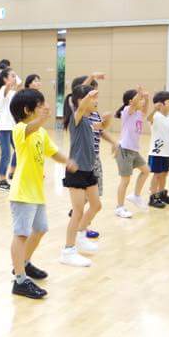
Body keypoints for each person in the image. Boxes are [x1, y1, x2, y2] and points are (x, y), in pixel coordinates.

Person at [8, 88, 76, 299]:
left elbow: (52, 152)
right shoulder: (20, 129)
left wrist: (68, 161)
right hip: (22, 193)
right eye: (40, 105)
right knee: (21, 234)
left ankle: (24, 263)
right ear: (27, 110)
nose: (45, 107)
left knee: (40, 229)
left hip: (36, 192)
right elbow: (30, 128)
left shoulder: (41, 133)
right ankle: (19, 280)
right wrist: (43, 118)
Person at [61, 85, 101, 267]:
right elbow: (80, 107)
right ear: (80, 101)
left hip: (88, 170)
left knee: (96, 205)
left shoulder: (88, 121)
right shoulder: (75, 118)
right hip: (76, 171)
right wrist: (87, 96)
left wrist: (107, 120)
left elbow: (102, 128)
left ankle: (80, 235)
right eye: (93, 98)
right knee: (77, 211)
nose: (96, 101)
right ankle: (68, 251)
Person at [113, 87, 151, 218]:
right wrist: (139, 95)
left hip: (134, 150)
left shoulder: (139, 114)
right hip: (124, 150)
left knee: (146, 171)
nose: (142, 101)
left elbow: (145, 110)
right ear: (131, 101)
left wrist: (146, 98)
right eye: (140, 99)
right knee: (125, 180)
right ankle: (119, 208)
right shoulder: (126, 111)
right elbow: (134, 104)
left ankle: (136, 196)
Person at [147, 92, 169, 209]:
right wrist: (154, 109)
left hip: (167, 152)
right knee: (157, 174)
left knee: (165, 174)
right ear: (161, 104)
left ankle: (162, 194)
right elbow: (148, 119)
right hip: (156, 152)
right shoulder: (156, 116)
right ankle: (153, 197)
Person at [0, 67, 22, 190]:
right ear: (5, 79)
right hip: (2, 127)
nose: (15, 78)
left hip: (11, 127)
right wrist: (4, 78)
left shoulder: (12, 92)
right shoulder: (2, 90)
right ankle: (1, 180)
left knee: (18, 149)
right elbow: (7, 87)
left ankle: (12, 172)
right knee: (6, 154)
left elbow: (20, 86)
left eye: (15, 76)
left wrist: (14, 78)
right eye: (12, 76)